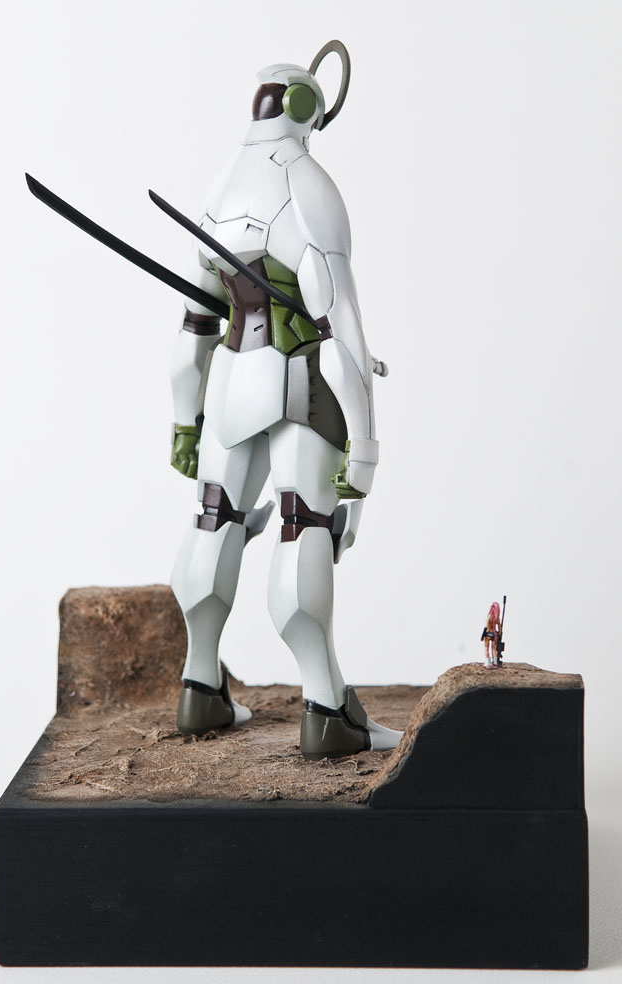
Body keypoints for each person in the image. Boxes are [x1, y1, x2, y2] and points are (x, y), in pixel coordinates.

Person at [168, 42, 401, 760]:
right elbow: (344, 331)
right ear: (309, 109)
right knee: (305, 528)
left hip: (228, 384)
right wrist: (365, 445)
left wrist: (184, 421)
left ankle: (199, 688)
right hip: (298, 385)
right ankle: (327, 710)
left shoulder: (219, 188)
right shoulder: (308, 186)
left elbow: (194, 329)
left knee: (215, 519)